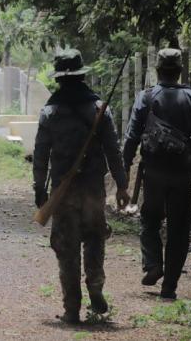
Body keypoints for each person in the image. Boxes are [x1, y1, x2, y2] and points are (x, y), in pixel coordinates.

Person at [33, 49, 130, 324]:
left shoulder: (49, 112)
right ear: (81, 75)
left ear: (60, 79)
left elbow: (40, 155)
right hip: (93, 190)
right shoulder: (100, 109)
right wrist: (122, 186)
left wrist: (39, 189)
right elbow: (114, 151)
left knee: (66, 249)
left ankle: (72, 309)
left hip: (63, 194)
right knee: (95, 240)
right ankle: (96, 287)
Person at [123, 48, 191, 300]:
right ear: (180, 71)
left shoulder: (146, 97)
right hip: (182, 173)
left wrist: (124, 166)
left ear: (157, 70)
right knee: (179, 228)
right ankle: (169, 287)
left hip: (154, 172)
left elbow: (132, 136)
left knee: (149, 219)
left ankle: (152, 265)